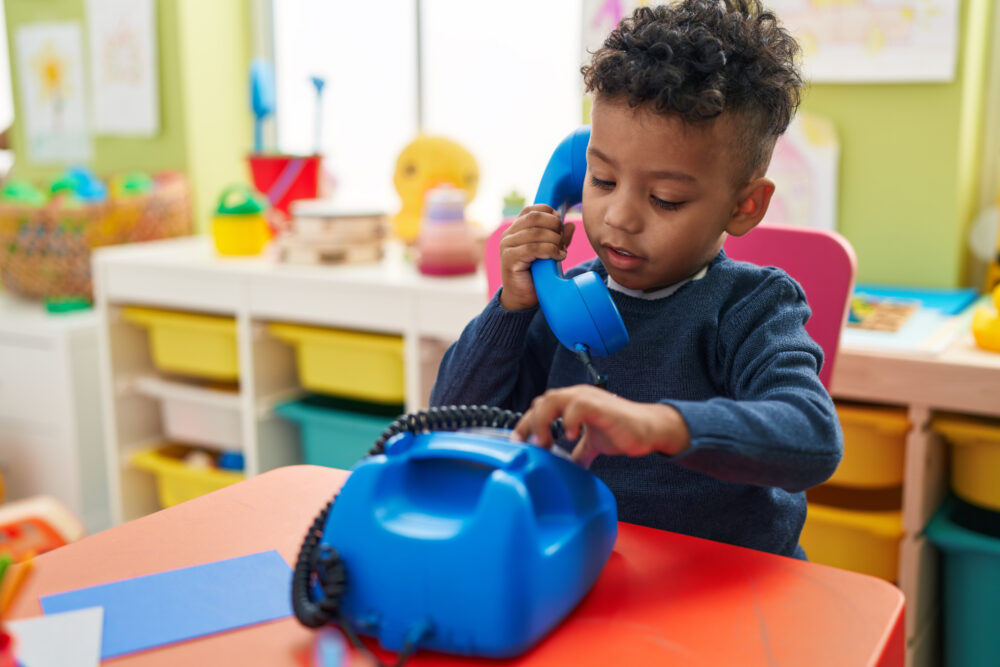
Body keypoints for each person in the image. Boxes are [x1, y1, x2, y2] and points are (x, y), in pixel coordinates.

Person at [429, 0, 842, 559]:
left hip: (726, 588)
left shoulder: (754, 308)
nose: (619, 218)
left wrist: (658, 425)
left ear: (745, 206)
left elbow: (813, 438)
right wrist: (512, 306)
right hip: (587, 567)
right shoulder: (564, 304)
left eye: (664, 199)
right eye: (601, 180)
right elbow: (452, 416)